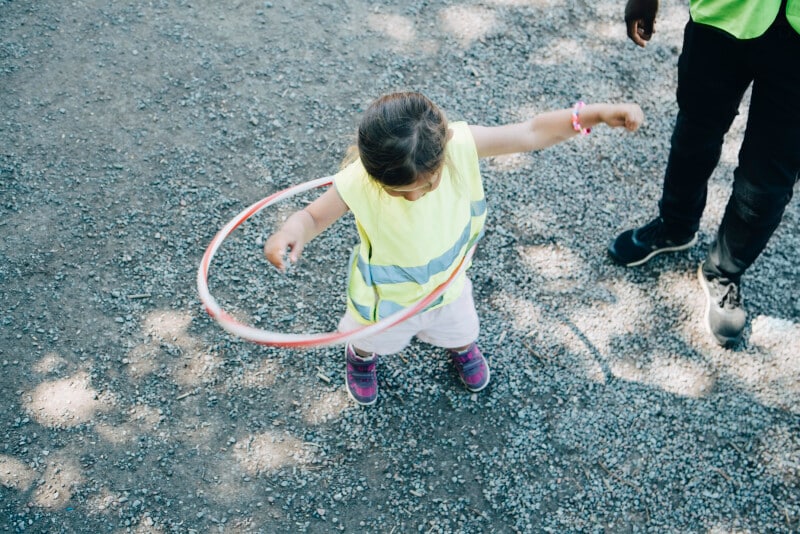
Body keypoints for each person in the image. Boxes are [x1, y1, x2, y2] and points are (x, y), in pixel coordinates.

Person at [265, 92, 643, 406]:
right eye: (399, 192)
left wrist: (598, 114)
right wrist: (292, 229)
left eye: (427, 184)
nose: (414, 196)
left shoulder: (459, 145)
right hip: (386, 299)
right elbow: (313, 218)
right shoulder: (359, 181)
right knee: (369, 337)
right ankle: (361, 356)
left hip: (448, 285)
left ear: (443, 153)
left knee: (462, 330)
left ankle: (459, 348)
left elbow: (530, 131)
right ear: (372, 170)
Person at [609, 0, 800, 347]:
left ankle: (724, 270)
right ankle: (676, 225)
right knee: (695, 132)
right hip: (726, 12)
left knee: (769, 181)